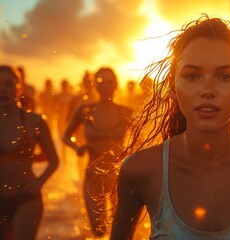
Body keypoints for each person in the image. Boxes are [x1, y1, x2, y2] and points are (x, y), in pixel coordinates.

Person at [110, 15, 230, 240]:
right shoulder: (141, 170)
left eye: (224, 76)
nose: (207, 89)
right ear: (173, 87)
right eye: (192, 76)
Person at [63, 67, 133, 237]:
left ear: (116, 85)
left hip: (119, 177)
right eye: (101, 82)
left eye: (110, 82)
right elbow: (65, 136)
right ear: (95, 85)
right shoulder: (85, 110)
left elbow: (142, 141)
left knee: (121, 232)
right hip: (92, 176)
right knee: (98, 230)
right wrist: (77, 148)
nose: (105, 86)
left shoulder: (125, 112)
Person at [0, 65, 59, 239]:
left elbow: (54, 160)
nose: (2, 89)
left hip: (27, 197)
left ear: (20, 88)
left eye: (8, 84)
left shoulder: (35, 122)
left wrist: (40, 182)